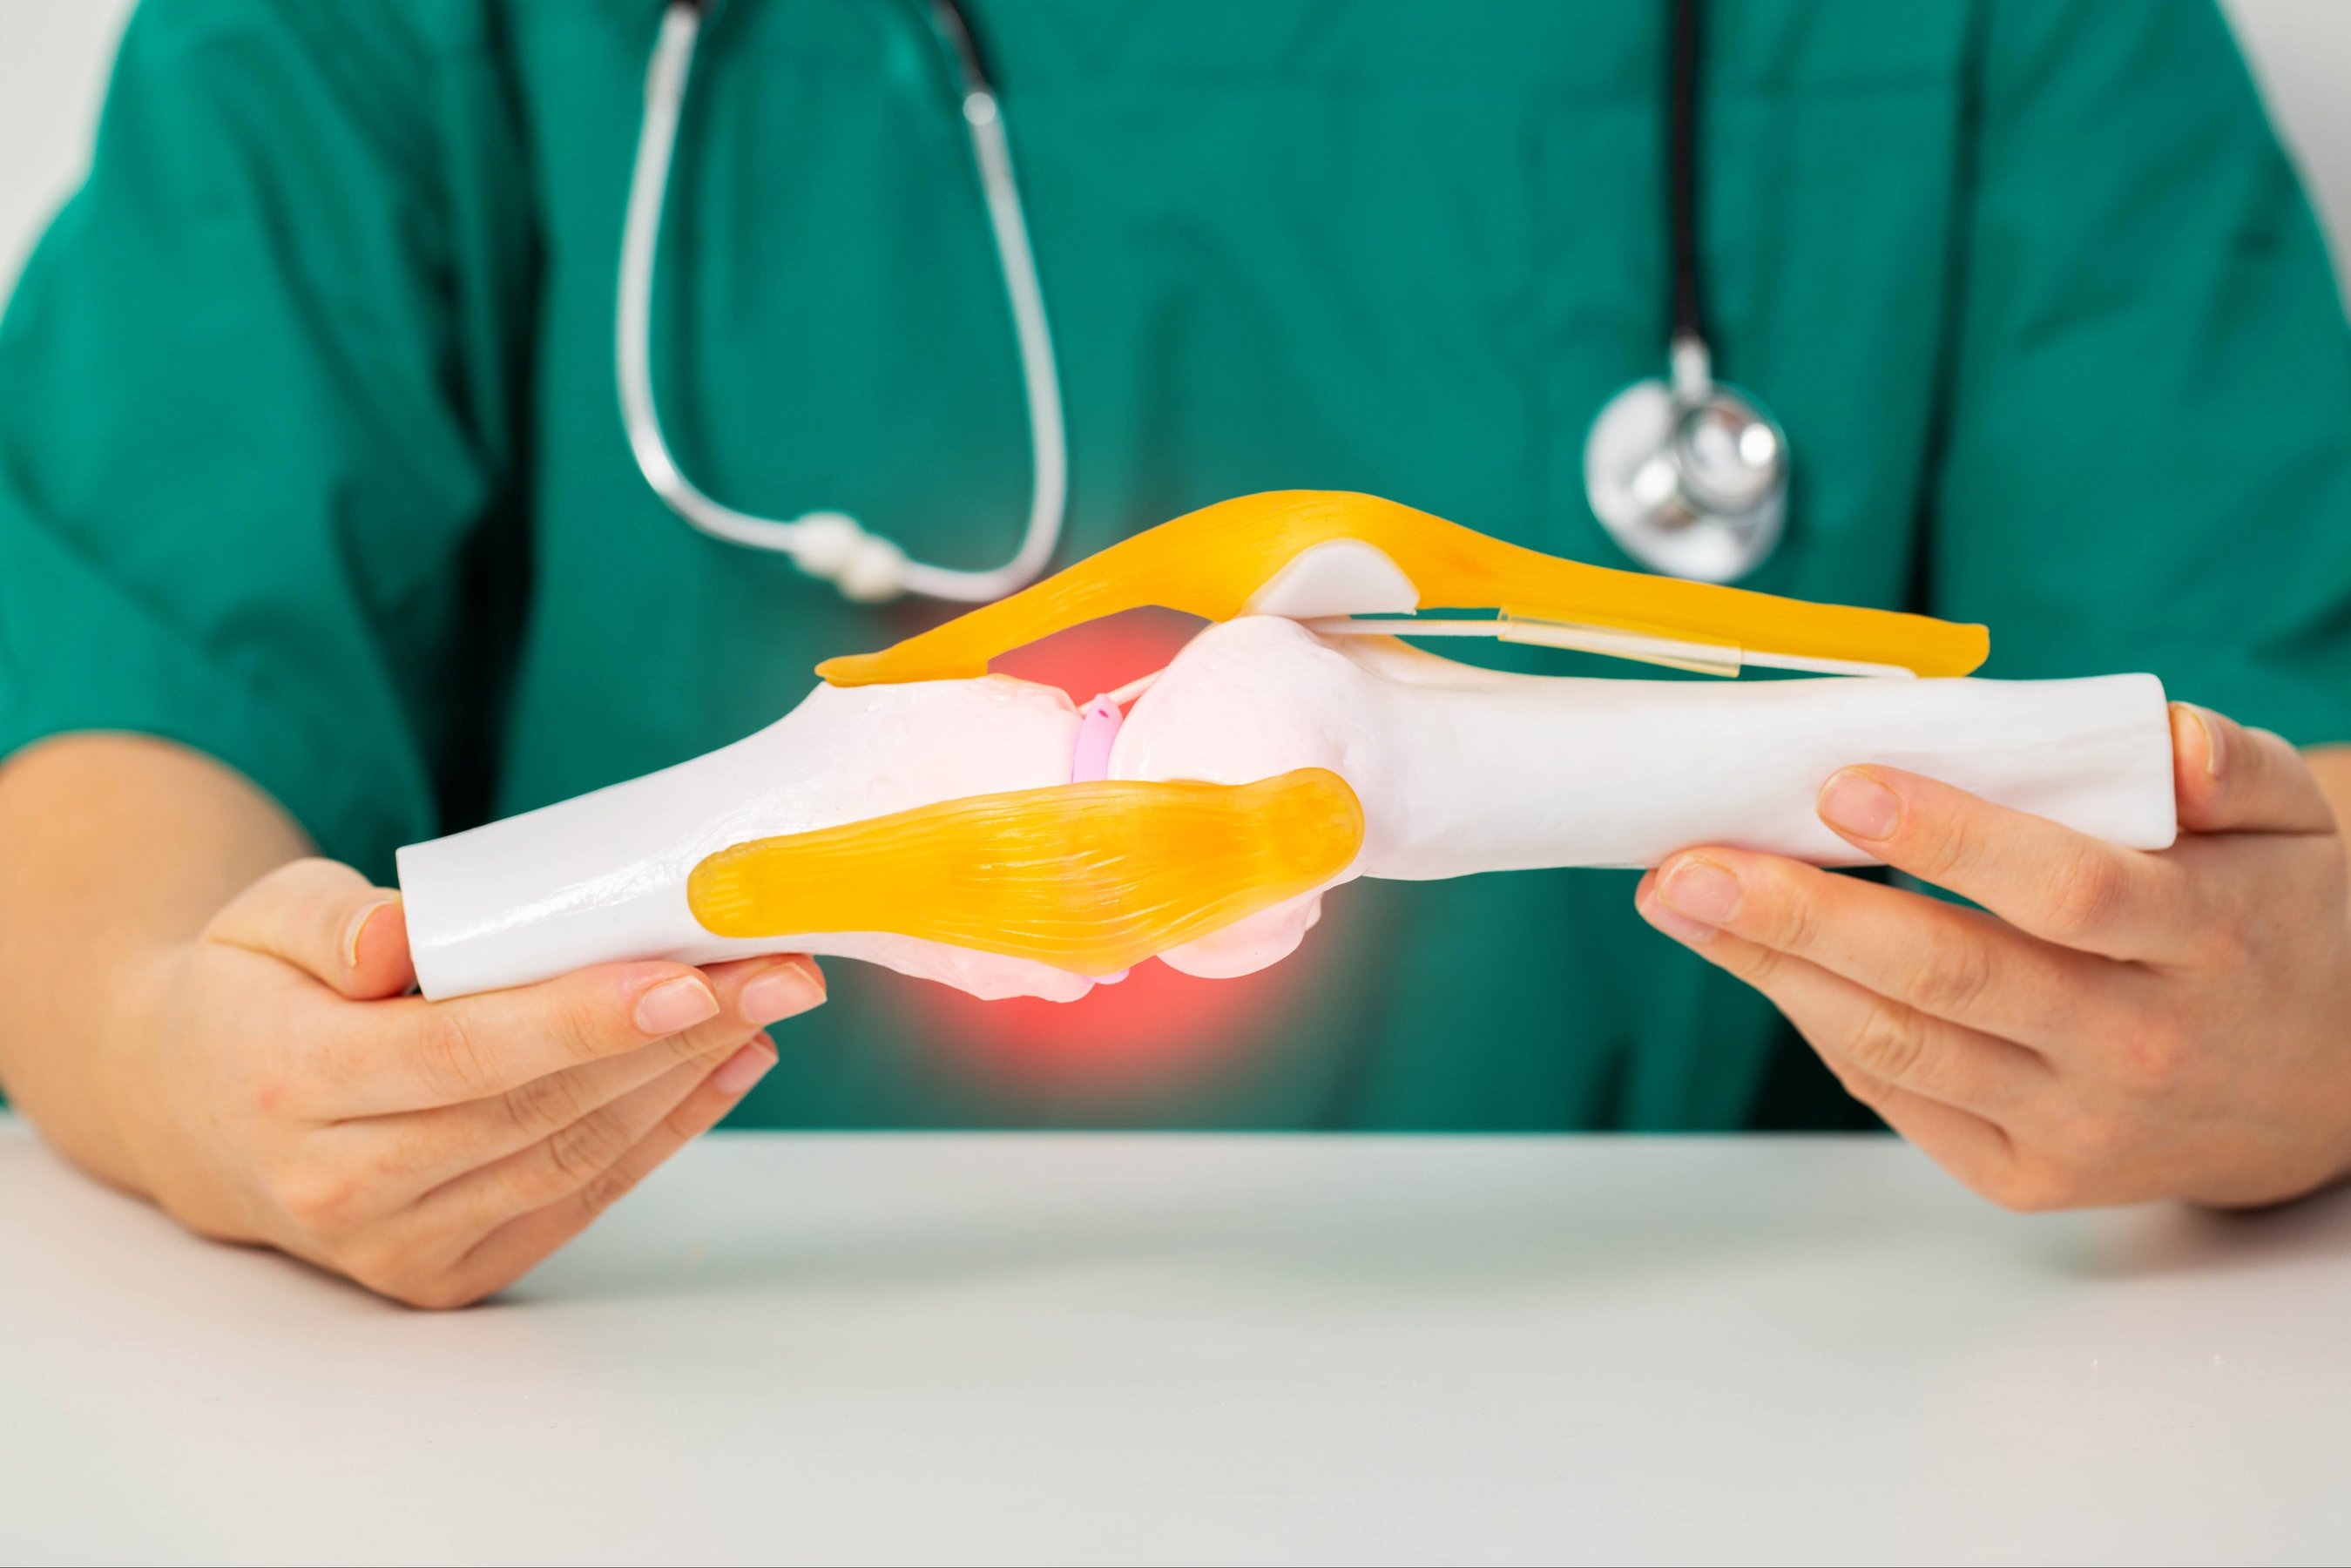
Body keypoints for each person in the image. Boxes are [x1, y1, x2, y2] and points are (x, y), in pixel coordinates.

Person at [5, 0, 2351, 1310]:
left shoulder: (2023, 42)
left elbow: (2267, 764)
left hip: (1763, 1391)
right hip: (631, 1380)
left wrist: (2300, 1036)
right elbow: (108, 685)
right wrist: (186, 1055)